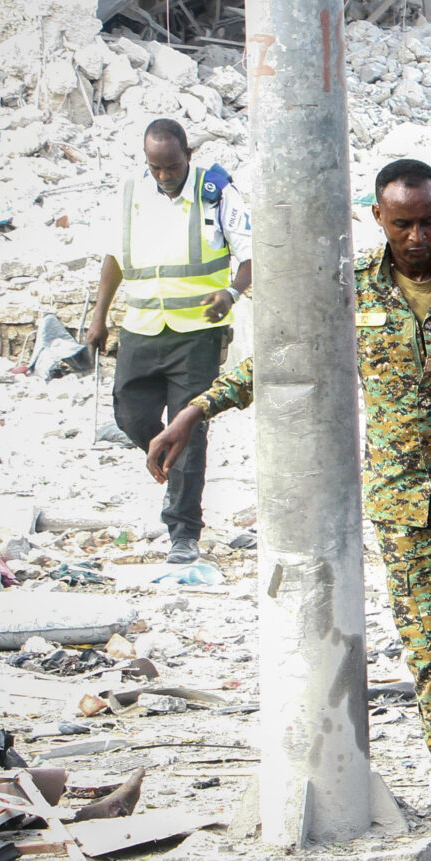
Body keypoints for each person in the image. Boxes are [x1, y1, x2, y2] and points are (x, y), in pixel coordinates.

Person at [148, 160, 431, 828]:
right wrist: (195, 411)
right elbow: (280, 359)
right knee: (428, 644)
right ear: (379, 220)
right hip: (399, 492)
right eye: (403, 224)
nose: (418, 236)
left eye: (428, 220)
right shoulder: (352, 291)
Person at [83, 118, 251, 565]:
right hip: (141, 329)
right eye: (155, 168)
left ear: (188, 158)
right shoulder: (131, 194)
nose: (163, 176)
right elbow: (114, 259)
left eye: (171, 167)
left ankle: (183, 532)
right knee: (130, 414)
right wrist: (99, 318)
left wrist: (232, 292)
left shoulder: (217, 193)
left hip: (197, 334)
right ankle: (170, 462)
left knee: (189, 430)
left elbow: (253, 255)